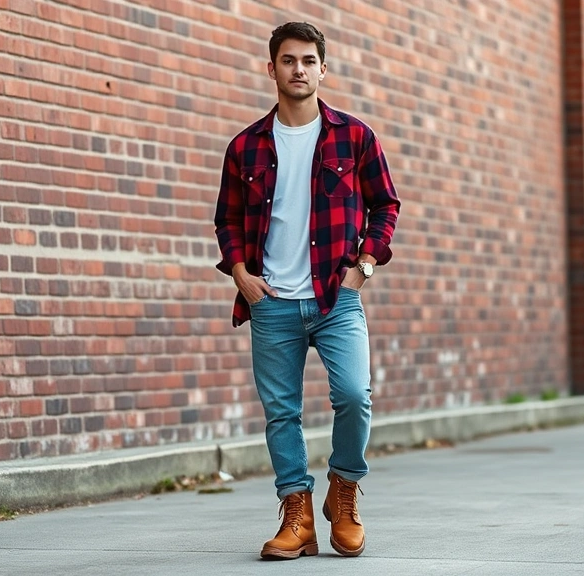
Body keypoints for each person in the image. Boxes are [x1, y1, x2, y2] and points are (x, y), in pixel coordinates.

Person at [213, 21, 401, 560]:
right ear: (271, 68)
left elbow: (386, 206)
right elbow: (227, 220)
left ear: (323, 69)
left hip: (336, 297)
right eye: (288, 60)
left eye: (308, 61)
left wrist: (365, 265)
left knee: (355, 396)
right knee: (281, 412)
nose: (299, 69)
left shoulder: (355, 137)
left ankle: (343, 492)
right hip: (271, 301)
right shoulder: (245, 147)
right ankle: (297, 515)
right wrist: (241, 274)